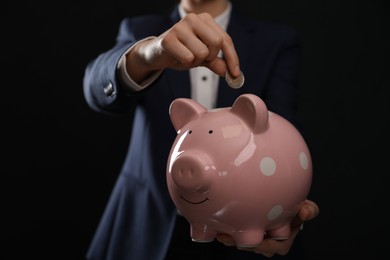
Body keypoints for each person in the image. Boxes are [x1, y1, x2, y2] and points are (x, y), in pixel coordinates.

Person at [83, 0, 320, 259]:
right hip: (150, 223)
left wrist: (288, 203)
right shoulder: (139, 30)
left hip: (244, 223)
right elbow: (96, 89)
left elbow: (281, 130)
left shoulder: (276, 41)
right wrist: (147, 54)